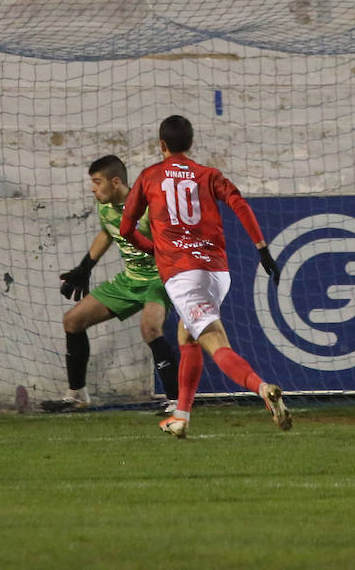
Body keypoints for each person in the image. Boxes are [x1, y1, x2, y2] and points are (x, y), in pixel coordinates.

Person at [119, 115, 290, 438]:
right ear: (191, 143)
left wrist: (154, 249)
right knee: (187, 335)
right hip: (216, 272)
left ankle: (263, 389)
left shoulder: (149, 177)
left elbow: (126, 229)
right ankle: (181, 417)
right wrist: (262, 249)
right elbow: (238, 203)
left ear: (162, 145)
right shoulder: (208, 174)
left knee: (214, 340)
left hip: (183, 276)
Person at [43, 155, 179, 413]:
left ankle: (177, 401)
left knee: (150, 328)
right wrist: (85, 267)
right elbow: (108, 232)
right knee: (72, 321)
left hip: (157, 280)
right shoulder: (105, 206)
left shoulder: (150, 207)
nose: (93, 188)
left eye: (97, 182)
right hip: (129, 280)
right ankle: (77, 395)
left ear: (115, 182)